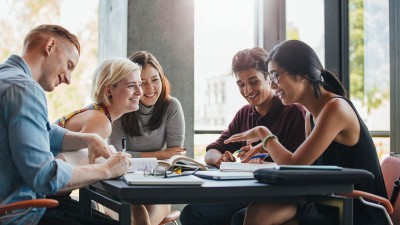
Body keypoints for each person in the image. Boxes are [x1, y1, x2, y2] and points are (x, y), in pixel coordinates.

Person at [224, 40, 387, 225]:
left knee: (258, 214)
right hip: (329, 200)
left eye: (276, 76)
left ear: (301, 74)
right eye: (270, 77)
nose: (273, 85)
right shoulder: (311, 114)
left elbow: (293, 165)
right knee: (249, 214)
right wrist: (268, 146)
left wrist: (264, 134)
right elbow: (304, 170)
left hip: (357, 208)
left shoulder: (335, 108)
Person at [0, 24, 132, 225]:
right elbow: (44, 176)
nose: (69, 79)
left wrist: (88, 139)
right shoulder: (25, 89)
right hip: (19, 214)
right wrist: (108, 169)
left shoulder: (7, 79)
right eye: (69, 65)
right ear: (50, 46)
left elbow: (43, 130)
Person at [180, 47, 306, 225]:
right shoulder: (245, 114)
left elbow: (299, 167)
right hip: (249, 194)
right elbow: (211, 151)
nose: (247, 90)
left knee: (240, 219)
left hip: (281, 197)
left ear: (269, 79)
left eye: (253, 82)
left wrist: (264, 164)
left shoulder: (293, 112)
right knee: (192, 213)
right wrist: (219, 158)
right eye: (241, 84)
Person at [54, 57, 171, 225]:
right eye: (132, 86)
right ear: (109, 91)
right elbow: (71, 170)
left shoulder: (97, 113)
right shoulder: (100, 122)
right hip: (45, 199)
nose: (140, 91)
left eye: (140, 84)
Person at [108, 50, 186, 159]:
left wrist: (134, 155)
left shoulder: (171, 106)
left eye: (155, 80)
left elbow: (175, 154)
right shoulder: (120, 107)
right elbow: (115, 155)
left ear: (162, 79)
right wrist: (162, 154)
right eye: (142, 83)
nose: (150, 88)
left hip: (161, 171)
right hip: (128, 170)